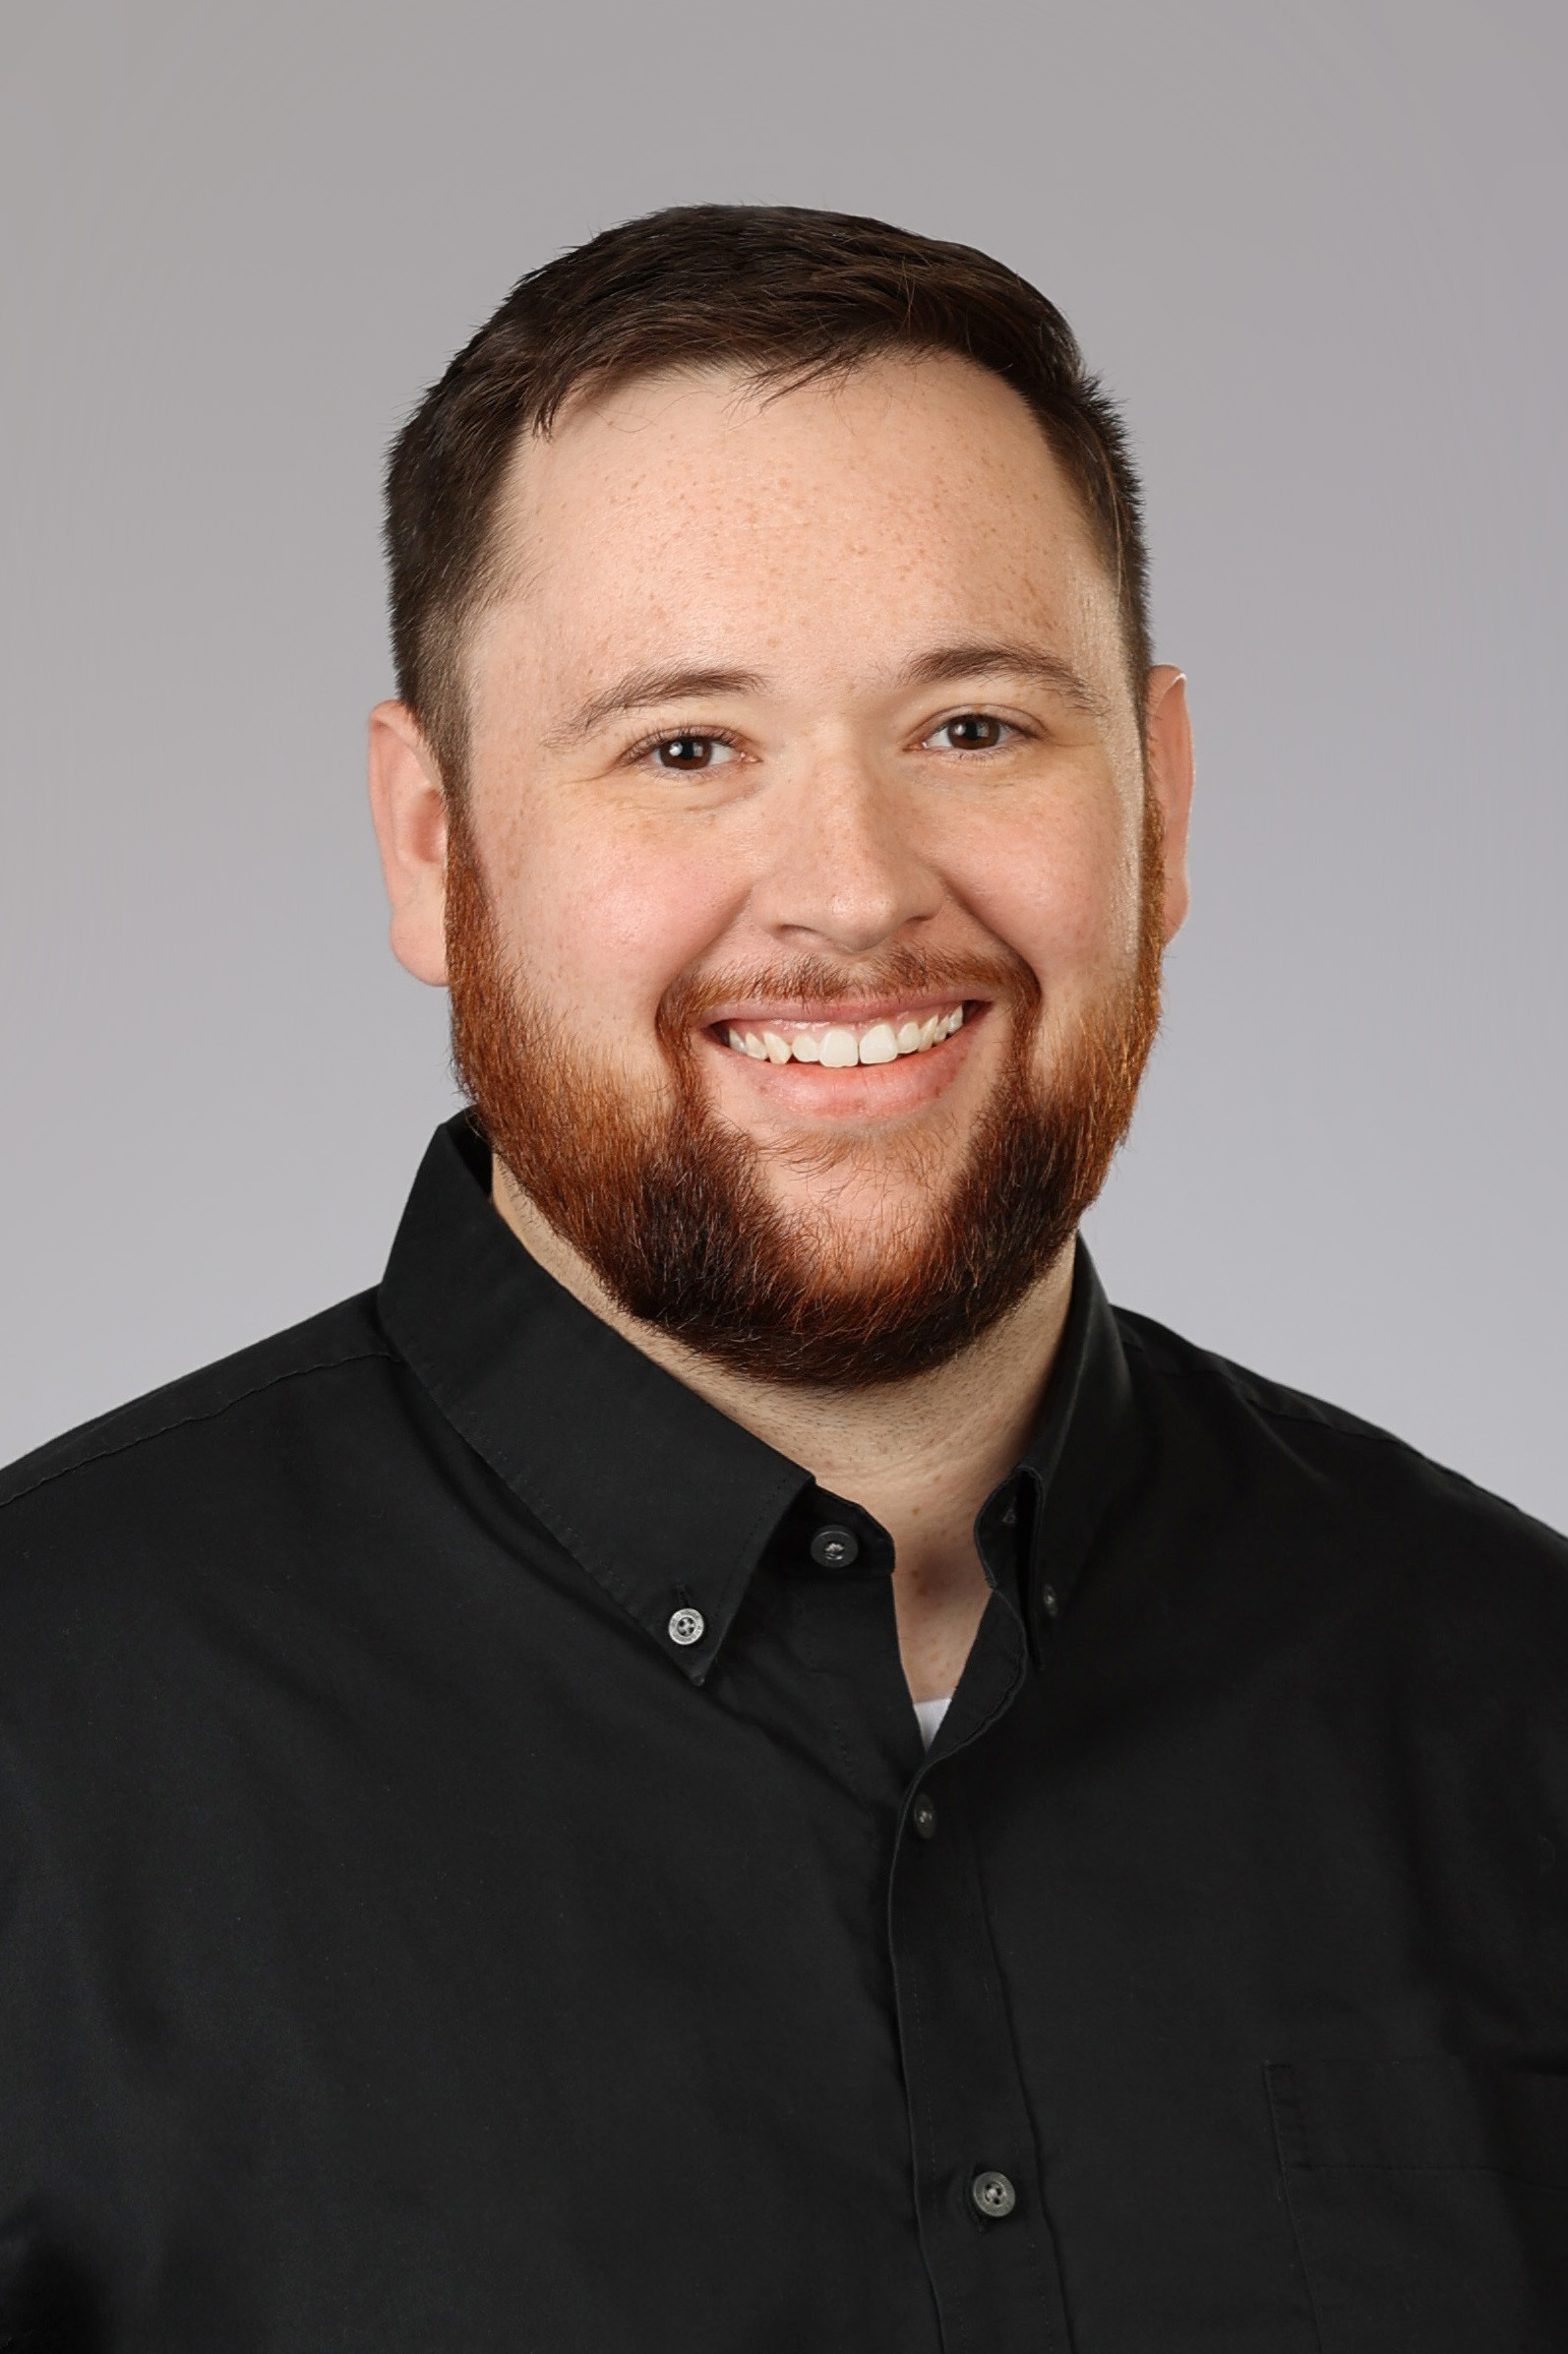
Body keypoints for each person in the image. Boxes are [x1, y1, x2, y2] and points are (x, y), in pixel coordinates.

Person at [0, 204, 1563, 2354]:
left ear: (1163, 802)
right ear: (433, 846)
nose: (849, 895)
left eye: (974, 729)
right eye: (684, 747)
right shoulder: (44, 1748)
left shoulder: (1514, 1704)